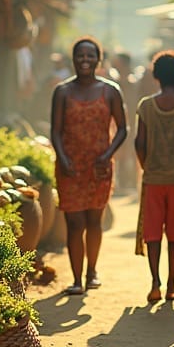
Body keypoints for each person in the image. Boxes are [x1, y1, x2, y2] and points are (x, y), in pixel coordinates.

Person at [50, 36, 127, 296]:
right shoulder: (62, 91)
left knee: (94, 220)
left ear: (98, 59)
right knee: (74, 223)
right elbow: (56, 132)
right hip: (69, 166)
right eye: (80, 56)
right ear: (73, 59)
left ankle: (91, 271)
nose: (85, 60)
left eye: (90, 56)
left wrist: (107, 155)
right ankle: (76, 279)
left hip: (99, 167)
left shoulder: (111, 91)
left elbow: (123, 129)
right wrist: (62, 158)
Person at [134, 50, 174, 304]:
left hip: (153, 179)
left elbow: (139, 143)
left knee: (153, 234)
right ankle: (171, 284)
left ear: (156, 76)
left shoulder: (146, 105)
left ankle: (154, 283)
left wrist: (146, 167)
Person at [112, 50, 141, 193]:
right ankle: (119, 183)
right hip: (117, 122)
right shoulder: (115, 83)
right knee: (119, 151)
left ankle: (131, 183)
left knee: (131, 151)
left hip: (132, 121)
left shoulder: (134, 83)